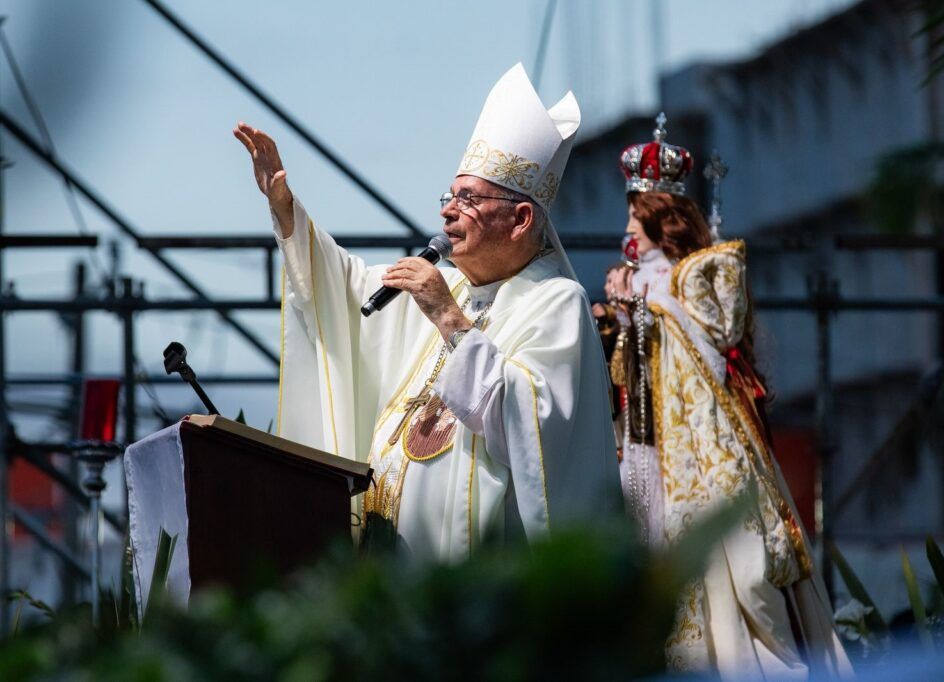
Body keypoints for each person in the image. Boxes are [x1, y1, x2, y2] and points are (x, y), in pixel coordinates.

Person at [234, 64, 620, 562]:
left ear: (521, 219)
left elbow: (534, 429)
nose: (447, 211)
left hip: (482, 571)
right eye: (450, 196)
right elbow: (343, 287)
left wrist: (450, 319)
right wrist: (285, 206)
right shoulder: (450, 286)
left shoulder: (555, 301)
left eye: (468, 198)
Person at [606, 115, 852, 677]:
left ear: (658, 217)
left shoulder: (699, 272)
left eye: (634, 214)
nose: (627, 226)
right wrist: (619, 318)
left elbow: (706, 348)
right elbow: (633, 365)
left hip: (701, 442)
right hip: (654, 440)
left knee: (741, 563)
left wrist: (635, 310)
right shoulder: (638, 278)